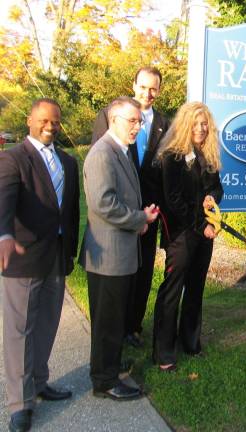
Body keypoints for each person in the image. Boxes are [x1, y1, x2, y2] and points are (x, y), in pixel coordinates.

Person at [0, 98, 79, 432]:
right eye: (44, 121)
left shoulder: (68, 162)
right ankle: (19, 403)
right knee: (20, 331)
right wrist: (3, 233)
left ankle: (40, 381)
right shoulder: (12, 158)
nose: (50, 127)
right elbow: (3, 197)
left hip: (57, 255)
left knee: (47, 322)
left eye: (56, 122)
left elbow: (71, 209)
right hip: (24, 256)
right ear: (30, 120)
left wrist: (72, 249)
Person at [79, 96, 158, 401]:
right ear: (113, 120)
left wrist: (141, 216)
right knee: (108, 322)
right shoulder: (103, 153)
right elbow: (103, 203)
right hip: (108, 257)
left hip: (119, 253)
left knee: (114, 318)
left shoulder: (121, 151)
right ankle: (105, 381)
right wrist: (139, 219)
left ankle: (107, 365)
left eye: (139, 121)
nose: (138, 127)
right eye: (132, 121)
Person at [91, 67, 170, 348]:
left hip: (149, 210)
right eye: (142, 87)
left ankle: (133, 327)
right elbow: (102, 162)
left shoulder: (164, 123)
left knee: (143, 270)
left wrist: (155, 211)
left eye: (153, 89)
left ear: (159, 91)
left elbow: (165, 169)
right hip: (120, 211)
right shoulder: (112, 114)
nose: (147, 94)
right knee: (118, 274)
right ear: (133, 85)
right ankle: (115, 328)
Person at [152, 102, 223, 371]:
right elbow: (172, 200)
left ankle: (191, 342)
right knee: (172, 290)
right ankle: (164, 352)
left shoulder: (208, 155)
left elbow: (218, 189)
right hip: (182, 234)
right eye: (195, 123)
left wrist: (212, 197)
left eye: (204, 123)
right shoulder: (171, 156)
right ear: (184, 125)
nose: (201, 128)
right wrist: (199, 225)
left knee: (196, 288)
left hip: (204, 233)